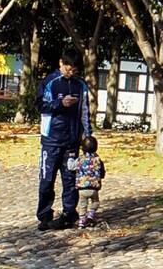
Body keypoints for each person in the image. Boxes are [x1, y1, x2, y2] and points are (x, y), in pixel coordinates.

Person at [35, 55, 92, 231]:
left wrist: (88, 136)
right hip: (51, 140)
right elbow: (40, 105)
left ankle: (69, 213)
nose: (70, 72)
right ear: (61, 63)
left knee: (70, 180)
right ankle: (45, 215)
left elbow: (85, 111)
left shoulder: (80, 85)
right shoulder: (50, 82)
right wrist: (60, 103)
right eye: (68, 68)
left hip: (72, 141)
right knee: (47, 180)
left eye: (74, 69)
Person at [70, 135, 106, 228]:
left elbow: (71, 167)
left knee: (83, 205)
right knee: (96, 202)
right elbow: (102, 173)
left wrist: (71, 158)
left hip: (82, 188)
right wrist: (100, 177)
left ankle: (82, 220)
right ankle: (91, 215)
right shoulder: (98, 160)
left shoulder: (80, 159)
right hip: (94, 188)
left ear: (82, 148)